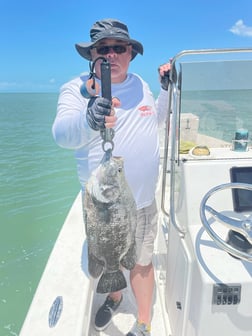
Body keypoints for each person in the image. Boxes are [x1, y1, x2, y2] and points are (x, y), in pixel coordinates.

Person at [52, 18, 171, 336]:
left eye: (119, 47)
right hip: (103, 206)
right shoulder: (75, 90)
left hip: (143, 201)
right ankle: (115, 297)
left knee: (142, 263)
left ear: (131, 52)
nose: (112, 55)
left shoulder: (141, 85)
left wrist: (165, 91)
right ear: (92, 56)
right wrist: (89, 119)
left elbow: (157, 120)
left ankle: (143, 322)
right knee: (110, 259)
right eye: (103, 49)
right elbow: (61, 134)